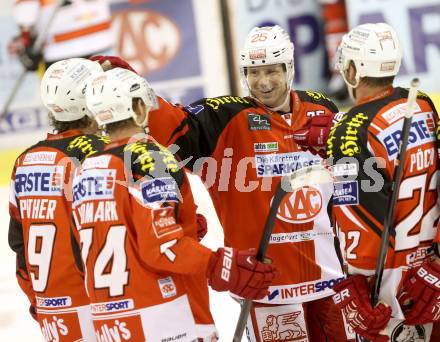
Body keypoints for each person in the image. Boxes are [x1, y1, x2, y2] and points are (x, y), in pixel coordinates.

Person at [95, 25, 352, 340]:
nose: (264, 82)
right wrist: (135, 86)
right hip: (268, 287)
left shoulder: (321, 108)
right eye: (254, 73)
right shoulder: (224, 117)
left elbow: (349, 181)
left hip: (332, 278)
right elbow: (173, 129)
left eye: (272, 70)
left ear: (290, 68)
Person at [75, 67, 278, 341]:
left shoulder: (86, 167)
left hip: (110, 322)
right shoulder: (150, 157)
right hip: (165, 318)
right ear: (137, 106)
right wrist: (221, 264)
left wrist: (184, 223)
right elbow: (164, 247)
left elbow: (118, 231)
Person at [327, 22, 440, 340]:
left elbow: (356, 216)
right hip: (432, 279)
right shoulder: (422, 105)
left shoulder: (349, 129)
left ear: (353, 69)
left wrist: (356, 287)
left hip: (388, 294)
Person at [8, 58, 109, 341]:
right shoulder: (99, 156)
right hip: (103, 308)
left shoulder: (24, 161)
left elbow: (19, 245)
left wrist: (43, 303)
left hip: (53, 313)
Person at [8, 0, 114, 72]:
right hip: (102, 44)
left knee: (66, 101)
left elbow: (25, 16)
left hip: (61, 53)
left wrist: (26, 41)